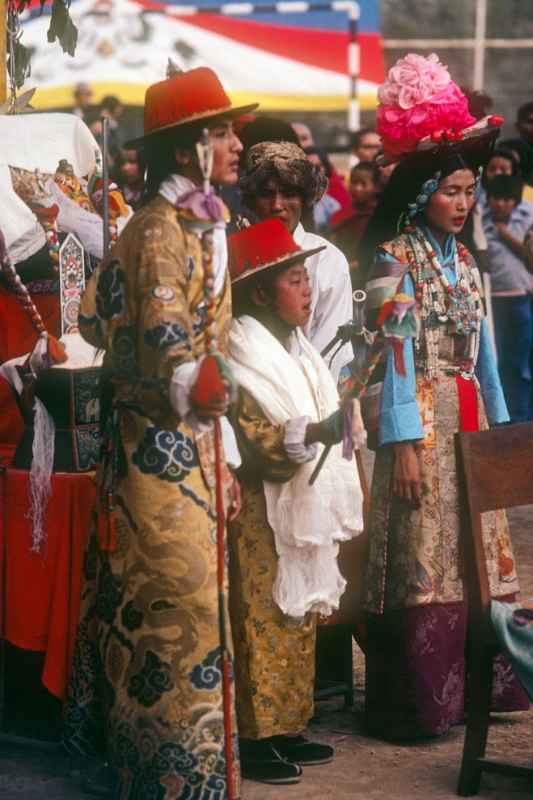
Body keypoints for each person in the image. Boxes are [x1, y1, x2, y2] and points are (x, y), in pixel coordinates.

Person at [62, 66, 258, 799]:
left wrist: (222, 449)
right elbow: (167, 336)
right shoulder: (155, 231)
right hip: (155, 454)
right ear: (186, 150)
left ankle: (188, 771)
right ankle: (168, 776)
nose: (235, 145)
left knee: (192, 609)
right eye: (222, 133)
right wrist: (191, 383)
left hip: (186, 446)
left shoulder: (192, 223)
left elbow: (93, 318)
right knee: (174, 610)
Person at [360, 53, 529, 741]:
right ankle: (422, 701)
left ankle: (481, 686)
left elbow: (486, 355)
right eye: (450, 191)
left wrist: (500, 433)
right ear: (421, 193)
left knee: (476, 549)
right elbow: (393, 355)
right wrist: (401, 439)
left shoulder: (463, 259)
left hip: (468, 416)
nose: (462, 204)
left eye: (468, 191)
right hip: (423, 422)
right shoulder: (393, 259)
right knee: (424, 553)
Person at [226, 218, 364, 783]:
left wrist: (335, 421)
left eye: (308, 278)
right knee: (260, 617)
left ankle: (286, 726)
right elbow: (256, 438)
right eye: (295, 280)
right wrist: (316, 432)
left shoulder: (298, 347)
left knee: (296, 613)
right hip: (259, 508)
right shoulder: (240, 350)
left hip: (297, 503)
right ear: (260, 294)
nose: (309, 290)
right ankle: (254, 737)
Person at [240, 140, 354, 384]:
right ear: (252, 200)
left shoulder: (328, 259)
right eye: (266, 194)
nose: (277, 205)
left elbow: (329, 350)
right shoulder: (236, 253)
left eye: (289, 194)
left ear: (304, 199)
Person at [484, 174, 533, 422]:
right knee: (497, 363)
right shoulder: (480, 221)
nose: (500, 204)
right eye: (495, 198)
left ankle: (522, 420)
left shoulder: (526, 219)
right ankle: (502, 421)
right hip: (492, 302)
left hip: (519, 300)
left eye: (506, 199)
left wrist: (503, 233)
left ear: (515, 201)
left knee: (520, 366)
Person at [331, 161, 380, 287]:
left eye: (363, 184)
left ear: (376, 187)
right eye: (354, 182)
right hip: (341, 273)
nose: (357, 188)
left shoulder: (378, 217)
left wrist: (360, 263)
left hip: (369, 273)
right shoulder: (342, 214)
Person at [112, 147, 146, 211]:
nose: (125, 168)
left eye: (132, 161)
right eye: (121, 163)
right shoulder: (113, 194)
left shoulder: (154, 197)